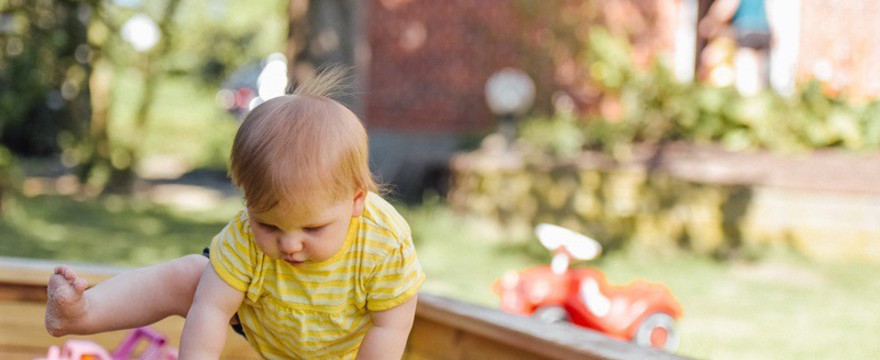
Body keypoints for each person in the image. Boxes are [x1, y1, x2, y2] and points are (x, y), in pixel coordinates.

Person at [44, 67, 426, 359]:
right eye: (268, 224)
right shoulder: (244, 236)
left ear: (357, 200)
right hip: (268, 317)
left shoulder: (383, 243)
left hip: (345, 346)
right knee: (191, 276)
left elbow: (390, 327)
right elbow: (211, 310)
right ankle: (83, 312)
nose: (290, 244)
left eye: (313, 227)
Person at [698, 0, 772, 96]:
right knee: (759, 77)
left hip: (746, 29)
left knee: (746, 81)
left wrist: (712, 20)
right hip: (764, 30)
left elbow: (727, 4)